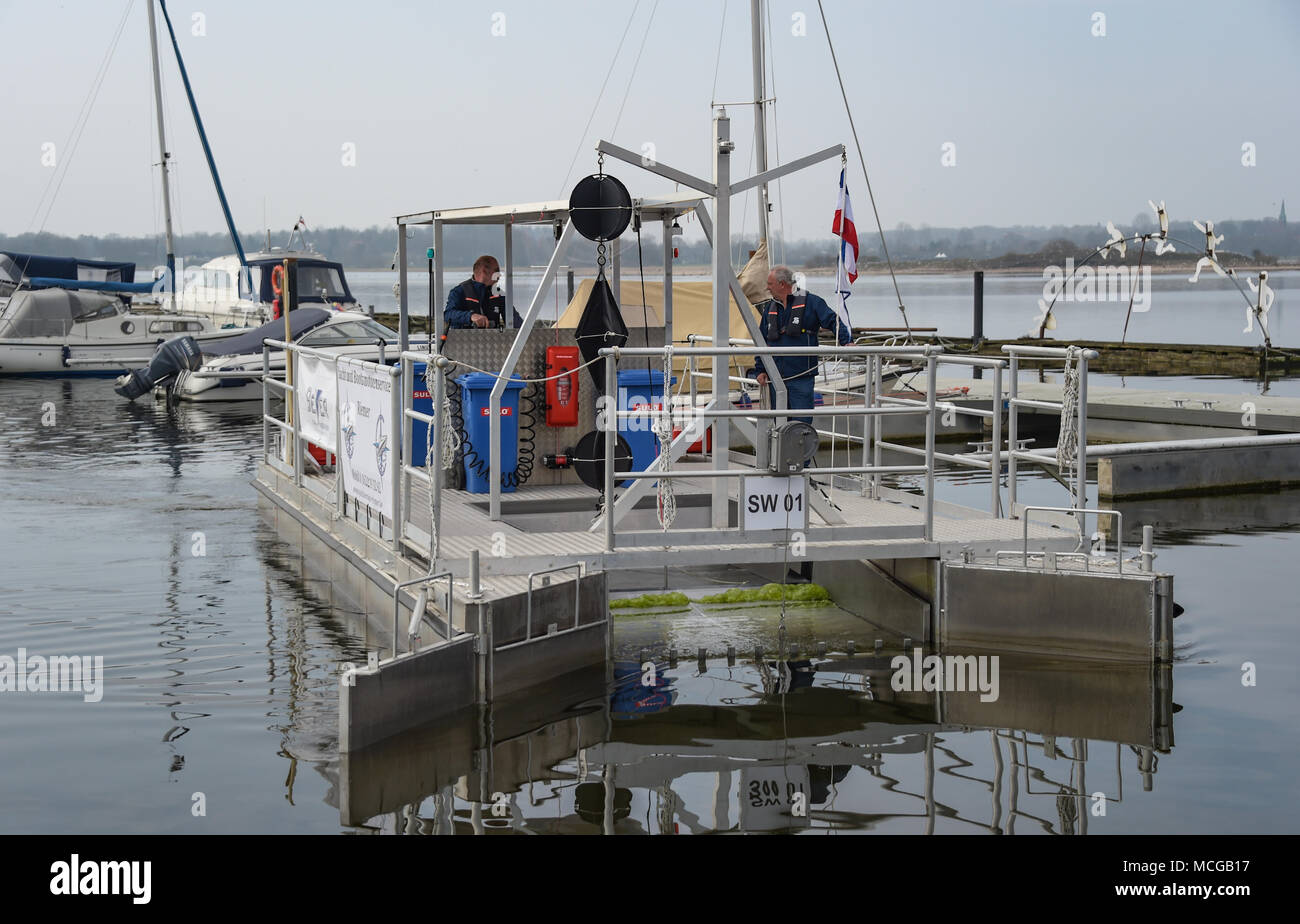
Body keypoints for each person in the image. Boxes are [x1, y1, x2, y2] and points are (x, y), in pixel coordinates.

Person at [747, 265, 852, 423]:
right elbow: (761, 340)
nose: (767, 288)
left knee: (801, 424)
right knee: (780, 424)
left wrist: (847, 342)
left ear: (782, 284)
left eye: (770, 284)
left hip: (801, 378)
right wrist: (760, 369)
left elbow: (833, 320)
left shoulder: (812, 302)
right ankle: (782, 448)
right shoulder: (770, 308)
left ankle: (801, 448)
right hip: (776, 378)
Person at [444, 255, 524, 329]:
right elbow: (448, 315)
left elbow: (515, 320)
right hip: (463, 342)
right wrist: (470, 317)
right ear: (484, 271)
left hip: (493, 342)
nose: (499, 275)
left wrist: (527, 331)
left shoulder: (499, 294)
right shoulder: (459, 291)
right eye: (497, 271)